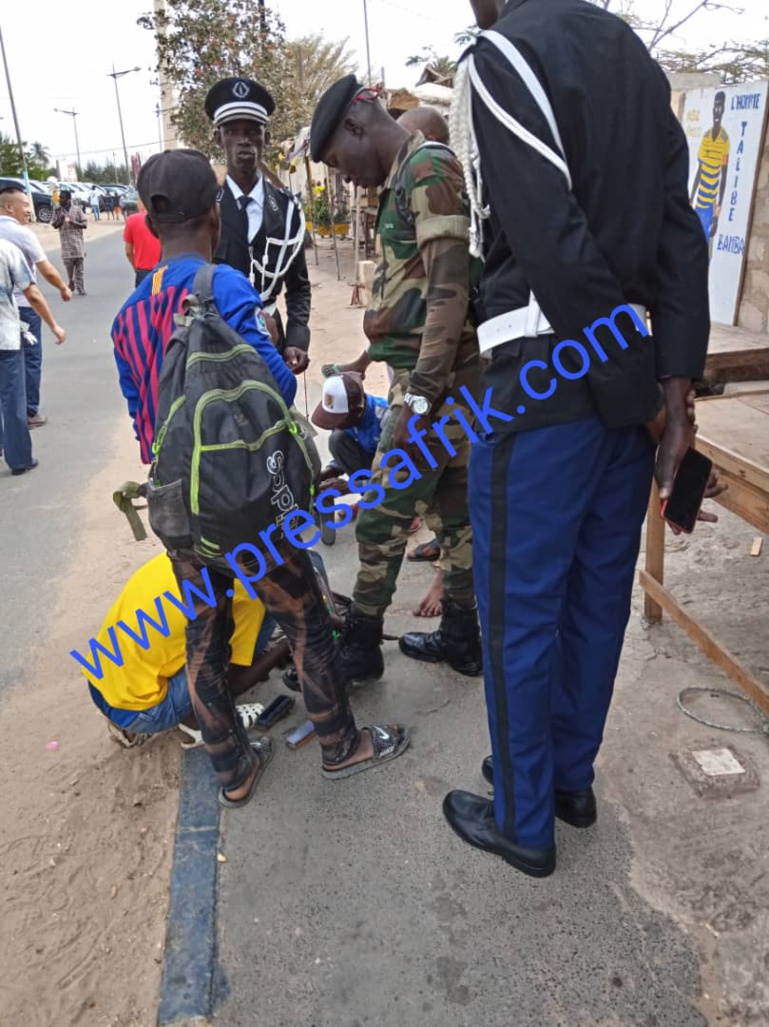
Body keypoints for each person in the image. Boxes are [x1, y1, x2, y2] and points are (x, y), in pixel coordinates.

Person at [437, 0, 711, 878]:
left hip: (547, 377)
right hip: (624, 394)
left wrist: (640, 386)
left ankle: (524, 819)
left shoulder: (502, 55)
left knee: (521, 609)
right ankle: (565, 779)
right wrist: (671, 387)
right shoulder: (631, 54)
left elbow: (552, 244)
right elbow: (679, 232)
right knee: (593, 600)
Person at [111, 148, 409, 807]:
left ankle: (232, 771)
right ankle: (341, 746)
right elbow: (274, 385)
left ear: (149, 223)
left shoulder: (127, 316)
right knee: (302, 616)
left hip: (178, 507)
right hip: (247, 501)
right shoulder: (225, 288)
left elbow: (143, 431)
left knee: (203, 631)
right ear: (215, 215)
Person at [310, 76, 483, 682]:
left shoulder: (427, 166)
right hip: (442, 382)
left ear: (357, 125)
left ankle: (358, 649)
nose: (343, 174)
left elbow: (448, 290)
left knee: (381, 517)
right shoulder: (402, 177)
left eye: (338, 159)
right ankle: (464, 638)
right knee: (455, 515)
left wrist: (419, 395)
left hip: (435, 387)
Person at [78, 552, 290, 749]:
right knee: (267, 613)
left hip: (99, 682)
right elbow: (229, 683)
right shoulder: (247, 588)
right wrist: (288, 644)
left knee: (201, 630)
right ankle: (197, 723)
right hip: (142, 712)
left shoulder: (188, 549)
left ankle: (131, 706)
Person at [205, 77, 311, 373]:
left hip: (272, 345)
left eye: (253, 132)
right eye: (232, 132)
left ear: (266, 137)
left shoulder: (288, 209)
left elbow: (299, 286)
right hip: (219, 345)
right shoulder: (206, 208)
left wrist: (297, 338)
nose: (244, 140)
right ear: (218, 138)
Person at [0, 180, 71, 429]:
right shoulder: (22, 234)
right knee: (29, 360)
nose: (29, 209)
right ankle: (29, 411)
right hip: (23, 309)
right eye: (25, 205)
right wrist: (63, 287)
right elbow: (45, 271)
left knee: (6, 365)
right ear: (9, 207)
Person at [0, 238, 66, 474]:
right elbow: (33, 294)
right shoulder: (7, 249)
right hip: (5, 336)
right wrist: (54, 325)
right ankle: (19, 458)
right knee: (12, 398)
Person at [311, 372, 388, 478]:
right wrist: (332, 471)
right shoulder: (347, 419)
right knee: (336, 439)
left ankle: (371, 492)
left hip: (397, 471)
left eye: (338, 419)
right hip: (371, 466)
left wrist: (350, 487)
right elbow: (348, 451)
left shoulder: (386, 418)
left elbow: (397, 473)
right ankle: (368, 491)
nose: (335, 424)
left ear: (357, 411)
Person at [690, 90, 730, 259]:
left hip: (710, 206)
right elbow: (699, 171)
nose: (717, 112)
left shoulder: (724, 140)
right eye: (715, 107)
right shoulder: (706, 137)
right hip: (699, 201)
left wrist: (718, 210)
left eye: (720, 108)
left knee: (703, 249)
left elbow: (724, 177)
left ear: (724, 110)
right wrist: (690, 198)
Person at [51, 189, 88, 296]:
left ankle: (81, 288)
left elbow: (84, 225)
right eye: (60, 197)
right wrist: (61, 220)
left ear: (68, 199)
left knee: (80, 269)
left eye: (62, 197)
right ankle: (71, 281)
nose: (60, 199)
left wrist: (72, 222)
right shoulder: (57, 211)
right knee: (69, 268)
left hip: (78, 244)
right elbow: (54, 225)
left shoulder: (77, 209)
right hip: (66, 246)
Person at [123, 197, 161, 288]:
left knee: (143, 300)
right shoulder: (162, 219)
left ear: (141, 202)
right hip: (160, 271)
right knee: (156, 298)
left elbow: (128, 252)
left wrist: (135, 267)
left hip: (143, 272)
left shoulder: (132, 220)